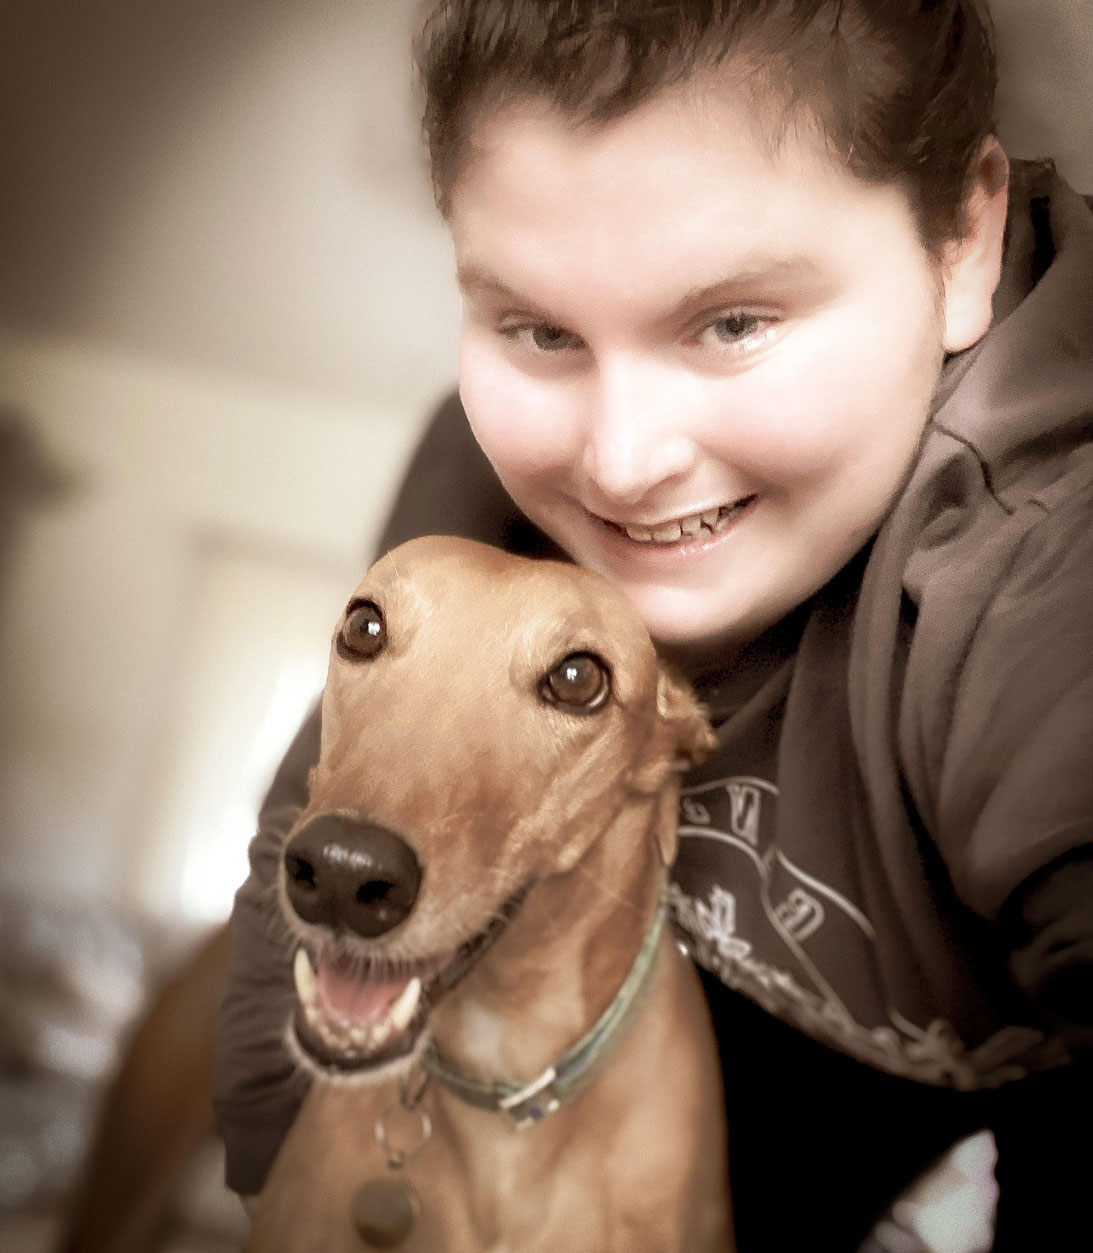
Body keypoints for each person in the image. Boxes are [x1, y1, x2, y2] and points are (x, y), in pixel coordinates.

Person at [212, 2, 1093, 1248]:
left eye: (734, 321)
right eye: (540, 328)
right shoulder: (479, 478)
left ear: (960, 240)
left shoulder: (1046, 577)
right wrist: (276, 1173)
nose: (620, 465)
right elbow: (313, 820)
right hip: (669, 1001)